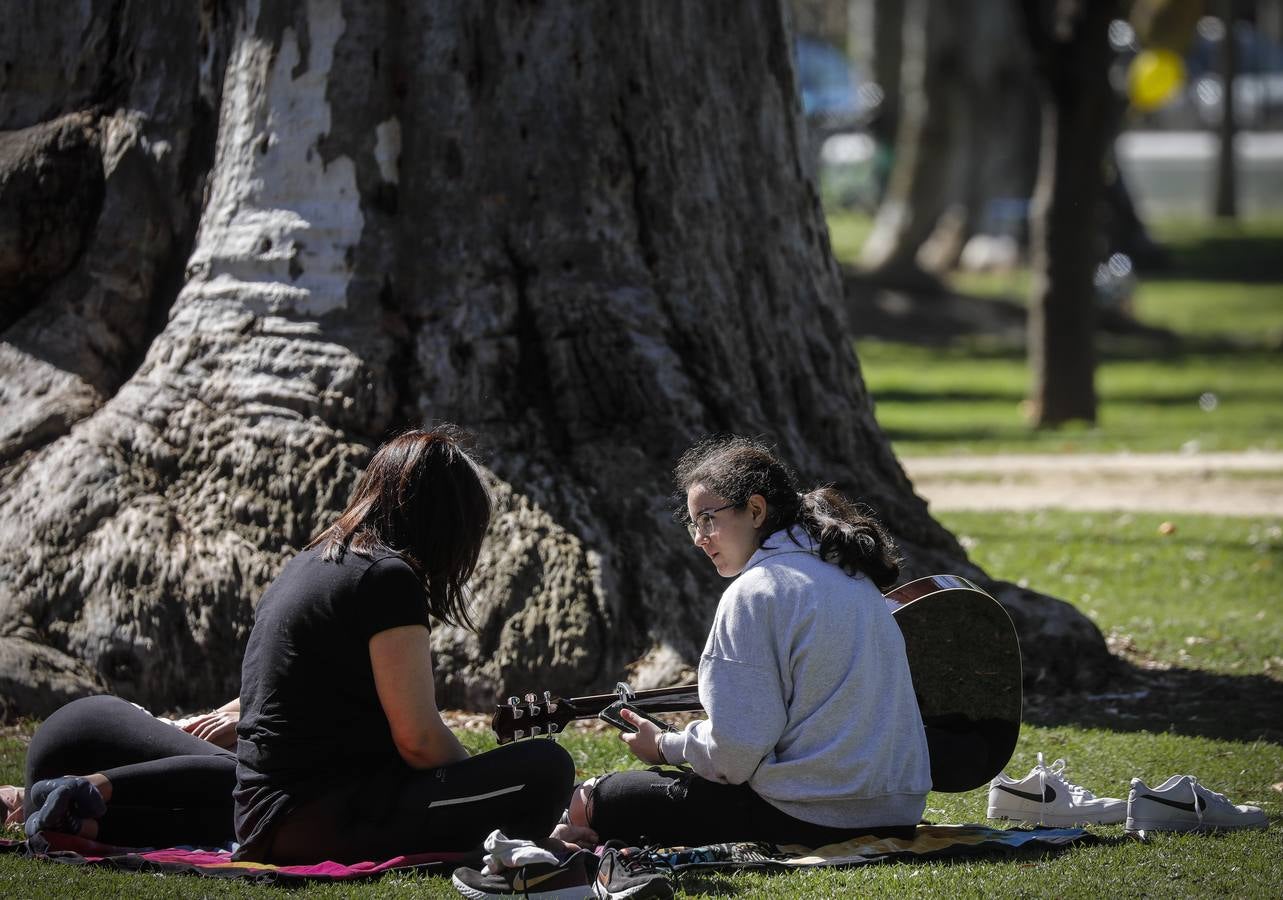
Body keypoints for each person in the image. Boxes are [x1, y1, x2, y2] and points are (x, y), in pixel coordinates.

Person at [563, 436, 932, 848]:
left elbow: (734, 760)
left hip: (811, 816)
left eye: (707, 519)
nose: (698, 538)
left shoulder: (757, 591)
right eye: (693, 523)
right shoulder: (849, 574)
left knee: (595, 798)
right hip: (898, 812)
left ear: (756, 510)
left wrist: (665, 746)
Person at [232, 427, 575, 864]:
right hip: (321, 820)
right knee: (546, 768)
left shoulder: (306, 562)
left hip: (265, 815)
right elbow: (418, 739)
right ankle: (510, 845)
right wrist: (471, 775)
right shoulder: (386, 577)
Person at [9, 694, 239, 847]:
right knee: (243, 781)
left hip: (60, 788)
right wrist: (245, 720)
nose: (8, 818)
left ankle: (80, 822)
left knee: (236, 820)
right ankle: (87, 788)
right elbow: (257, 697)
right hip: (91, 731)